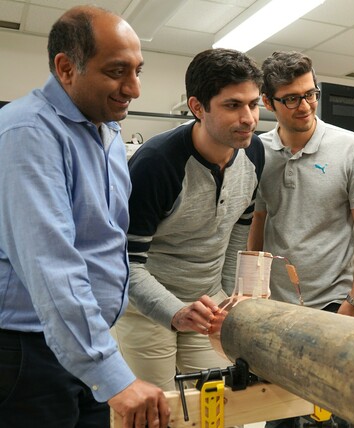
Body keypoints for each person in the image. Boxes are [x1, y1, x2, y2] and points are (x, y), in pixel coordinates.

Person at [0, 6, 169, 428]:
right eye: (117, 71)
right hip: (28, 354)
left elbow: (105, 242)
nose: (134, 88)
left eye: (138, 70)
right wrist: (111, 376)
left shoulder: (107, 129)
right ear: (66, 68)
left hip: (83, 342)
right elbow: (51, 265)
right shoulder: (28, 133)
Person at [114, 48, 265, 392]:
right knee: (157, 409)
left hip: (208, 304)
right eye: (232, 105)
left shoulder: (253, 152)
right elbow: (126, 263)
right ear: (198, 107)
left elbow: (238, 232)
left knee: (219, 402)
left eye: (253, 104)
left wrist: (228, 297)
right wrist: (174, 311)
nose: (249, 118)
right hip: (145, 310)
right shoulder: (156, 163)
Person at [248, 51, 354, 428]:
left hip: (335, 304)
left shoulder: (352, 148)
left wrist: (353, 301)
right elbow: (258, 221)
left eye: (310, 93)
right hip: (277, 308)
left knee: (336, 412)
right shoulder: (257, 151)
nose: (305, 106)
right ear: (268, 102)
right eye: (291, 98)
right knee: (280, 412)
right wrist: (252, 293)